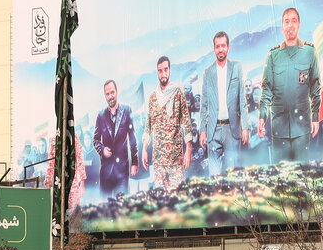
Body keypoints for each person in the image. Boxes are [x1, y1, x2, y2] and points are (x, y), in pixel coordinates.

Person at [259, 8, 321, 163]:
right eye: (286, 22)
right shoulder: (273, 56)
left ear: (299, 24)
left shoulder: (309, 52)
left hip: (301, 127)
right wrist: (262, 116)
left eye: (294, 21)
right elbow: (266, 89)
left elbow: (315, 87)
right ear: (282, 27)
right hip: (279, 127)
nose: (290, 25)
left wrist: (315, 117)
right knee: (281, 178)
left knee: (303, 176)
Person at [200, 32, 250, 175]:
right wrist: (203, 130)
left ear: (228, 47)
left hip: (232, 129)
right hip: (213, 130)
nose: (220, 49)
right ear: (214, 49)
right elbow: (204, 104)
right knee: (214, 178)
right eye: (217, 46)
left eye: (223, 46)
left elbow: (242, 99)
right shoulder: (208, 72)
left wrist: (245, 126)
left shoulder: (236, 67)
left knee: (231, 176)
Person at [141, 55, 193, 191]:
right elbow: (148, 125)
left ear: (170, 71)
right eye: (160, 71)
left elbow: (186, 122)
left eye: (165, 70)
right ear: (157, 72)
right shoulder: (153, 97)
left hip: (175, 159)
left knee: (177, 200)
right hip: (158, 161)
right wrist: (144, 149)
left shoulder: (178, 93)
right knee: (161, 204)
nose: (163, 74)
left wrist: (189, 149)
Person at [94, 79, 139, 198]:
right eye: (107, 94)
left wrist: (135, 162)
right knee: (104, 210)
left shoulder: (127, 110)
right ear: (105, 95)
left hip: (122, 172)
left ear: (117, 92)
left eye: (112, 92)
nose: (110, 96)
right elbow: (96, 140)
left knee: (122, 208)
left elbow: (133, 138)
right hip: (106, 173)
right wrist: (102, 149)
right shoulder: (101, 115)